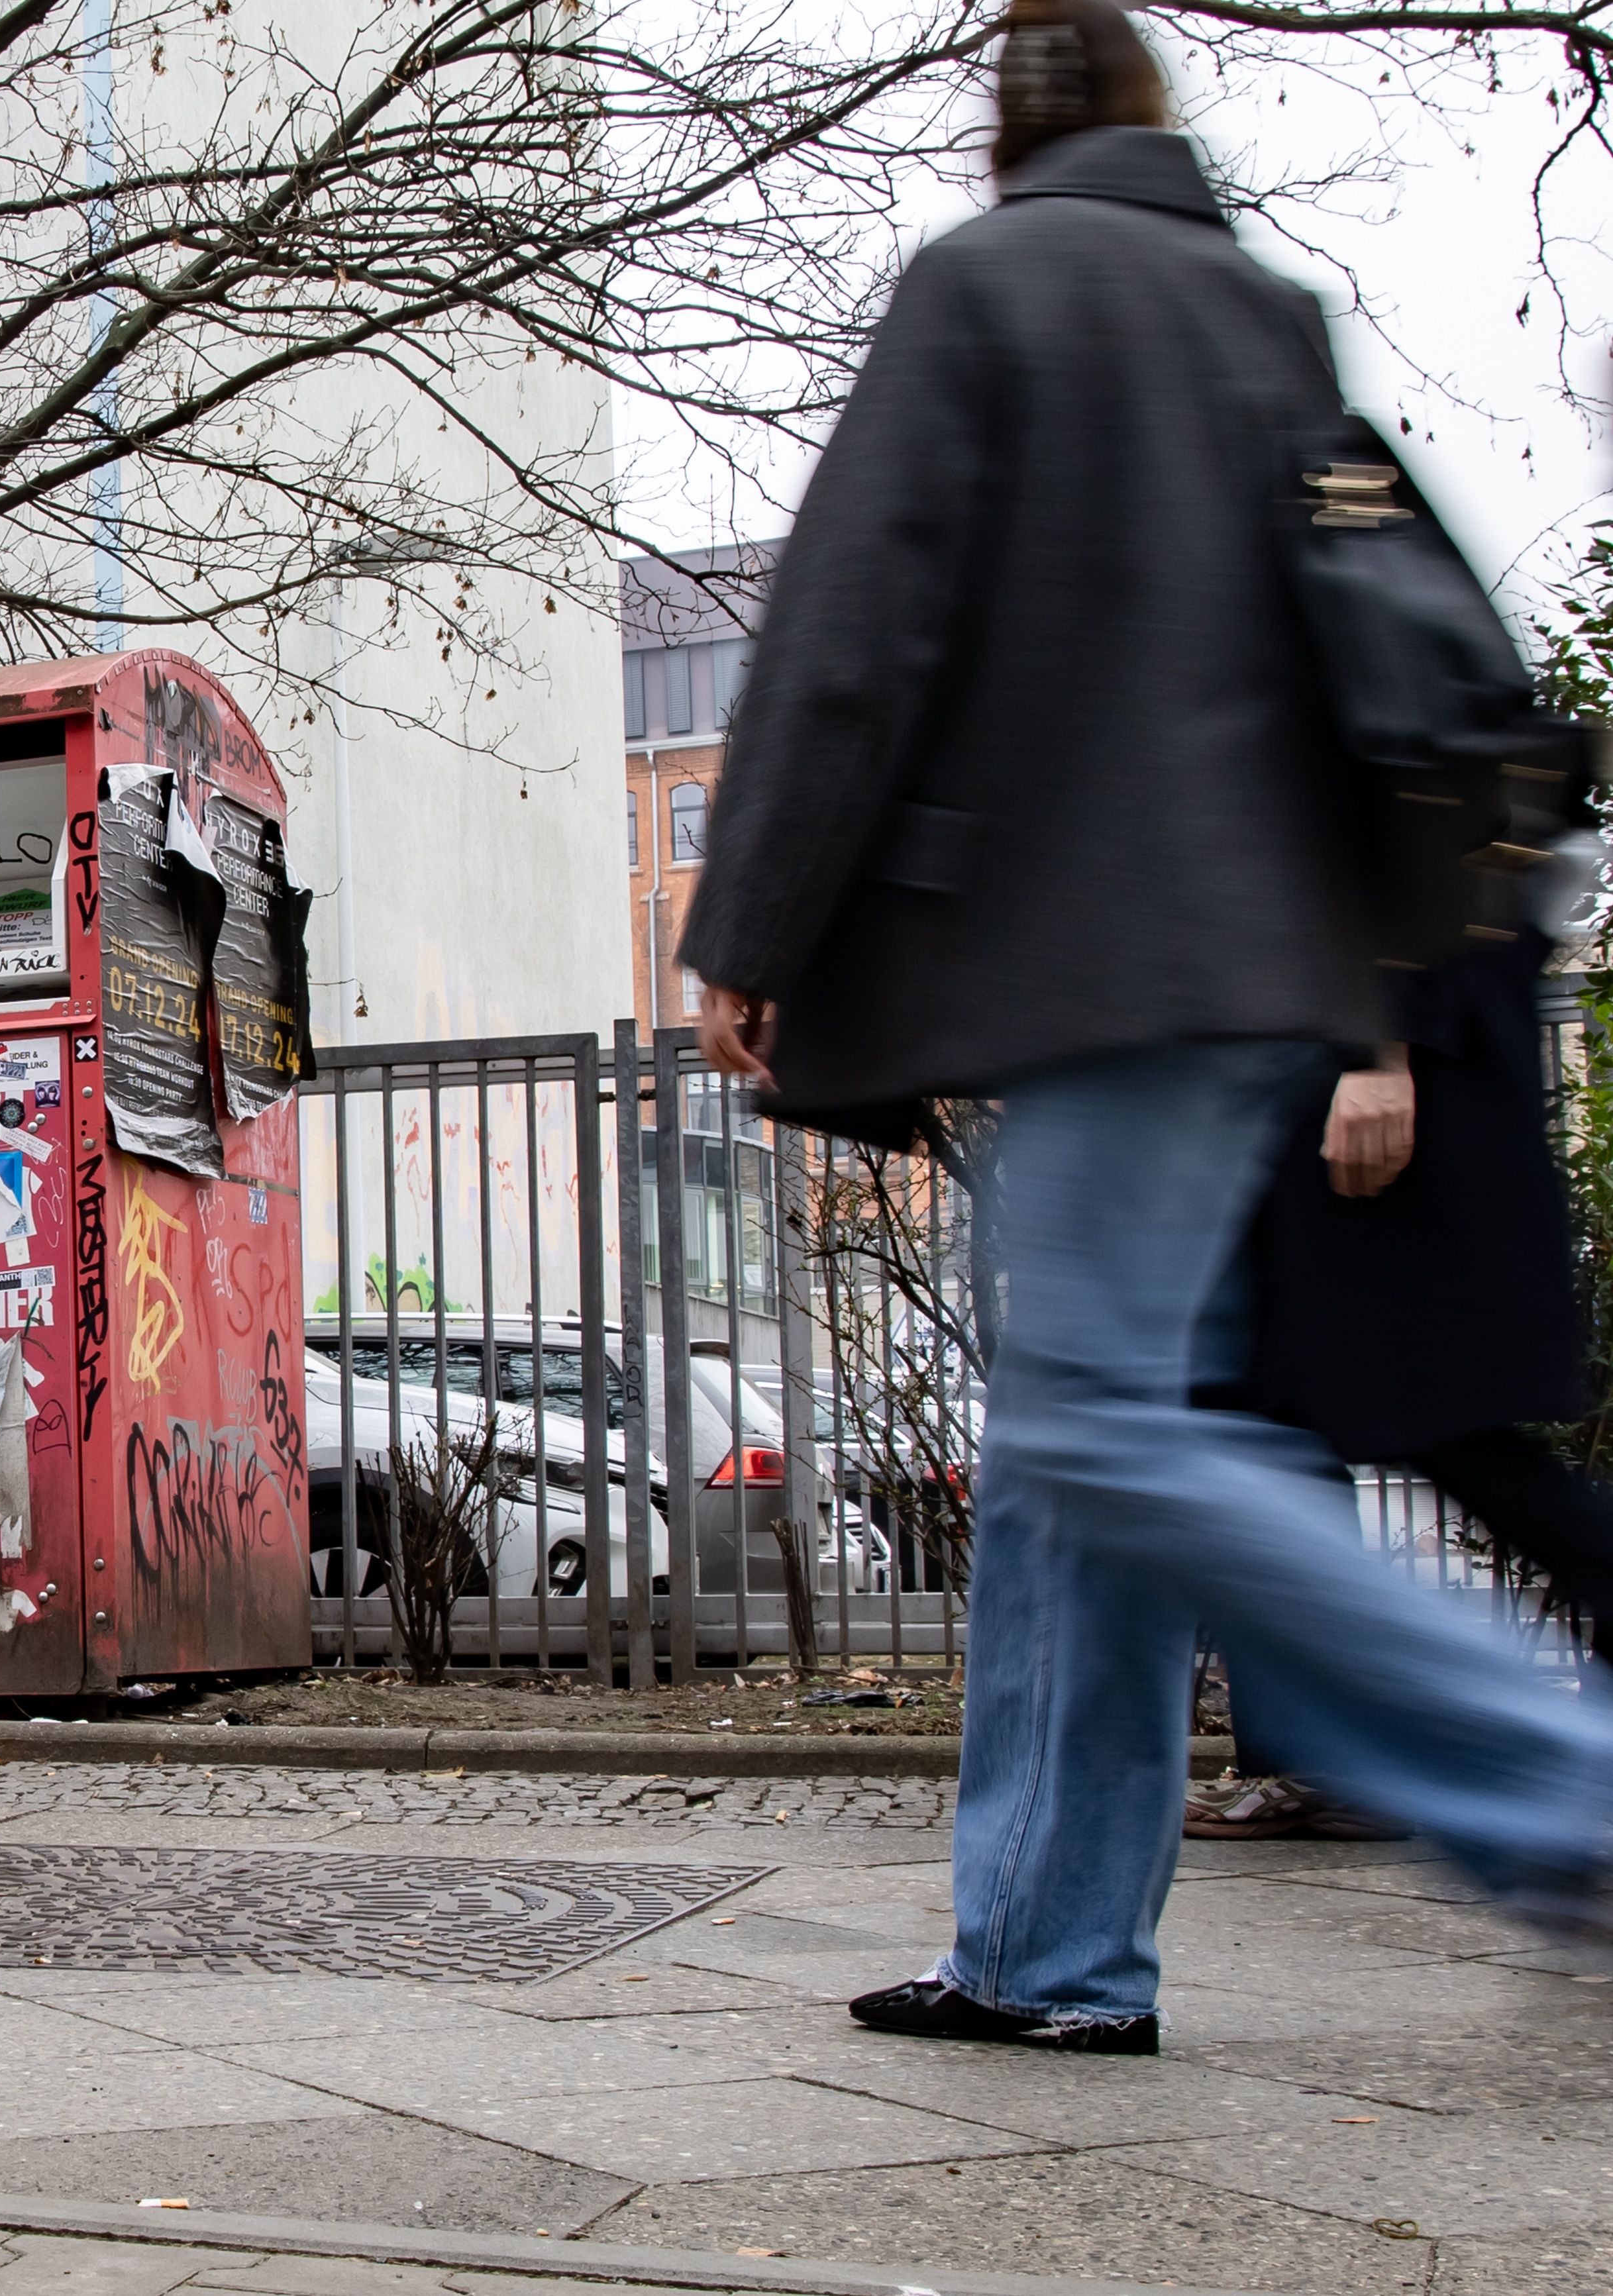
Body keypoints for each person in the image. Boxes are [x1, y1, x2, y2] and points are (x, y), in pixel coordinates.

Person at [678, 0, 1613, 2052]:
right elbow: (1359, 657)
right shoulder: (1254, 313)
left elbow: (853, 630)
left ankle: (1562, 1787)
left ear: (1004, 135)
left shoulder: (989, 289)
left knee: (1104, 1433)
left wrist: (747, 928)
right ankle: (1047, 1950)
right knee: (1071, 1469)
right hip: (1258, 978)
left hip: (1094, 979)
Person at [1188, 918, 1613, 1838]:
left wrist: (1376, 1047)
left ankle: (1332, 1754)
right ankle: (1310, 1756)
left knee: (1413, 1418)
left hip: (1383, 1064)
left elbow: (1411, 810)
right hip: (1327, 1058)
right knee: (1275, 1425)